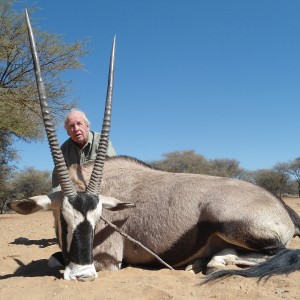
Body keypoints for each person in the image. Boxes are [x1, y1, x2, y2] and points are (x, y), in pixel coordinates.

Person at [52, 109, 116, 191]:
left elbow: (113, 170)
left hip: (101, 190)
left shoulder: (102, 141)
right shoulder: (64, 149)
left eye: (79, 124)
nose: (76, 129)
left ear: (87, 126)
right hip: (76, 194)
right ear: (68, 132)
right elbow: (57, 177)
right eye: (71, 126)